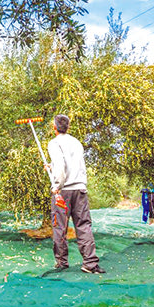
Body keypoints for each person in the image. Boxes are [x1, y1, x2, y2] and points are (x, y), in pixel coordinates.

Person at [46, 114, 105, 274]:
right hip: (80, 189)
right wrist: (51, 167)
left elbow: (61, 165)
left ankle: (62, 262)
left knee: (60, 227)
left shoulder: (54, 143)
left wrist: (56, 186)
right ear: (68, 127)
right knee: (84, 225)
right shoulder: (76, 143)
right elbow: (72, 165)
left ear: (54, 127)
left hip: (63, 191)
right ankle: (90, 264)